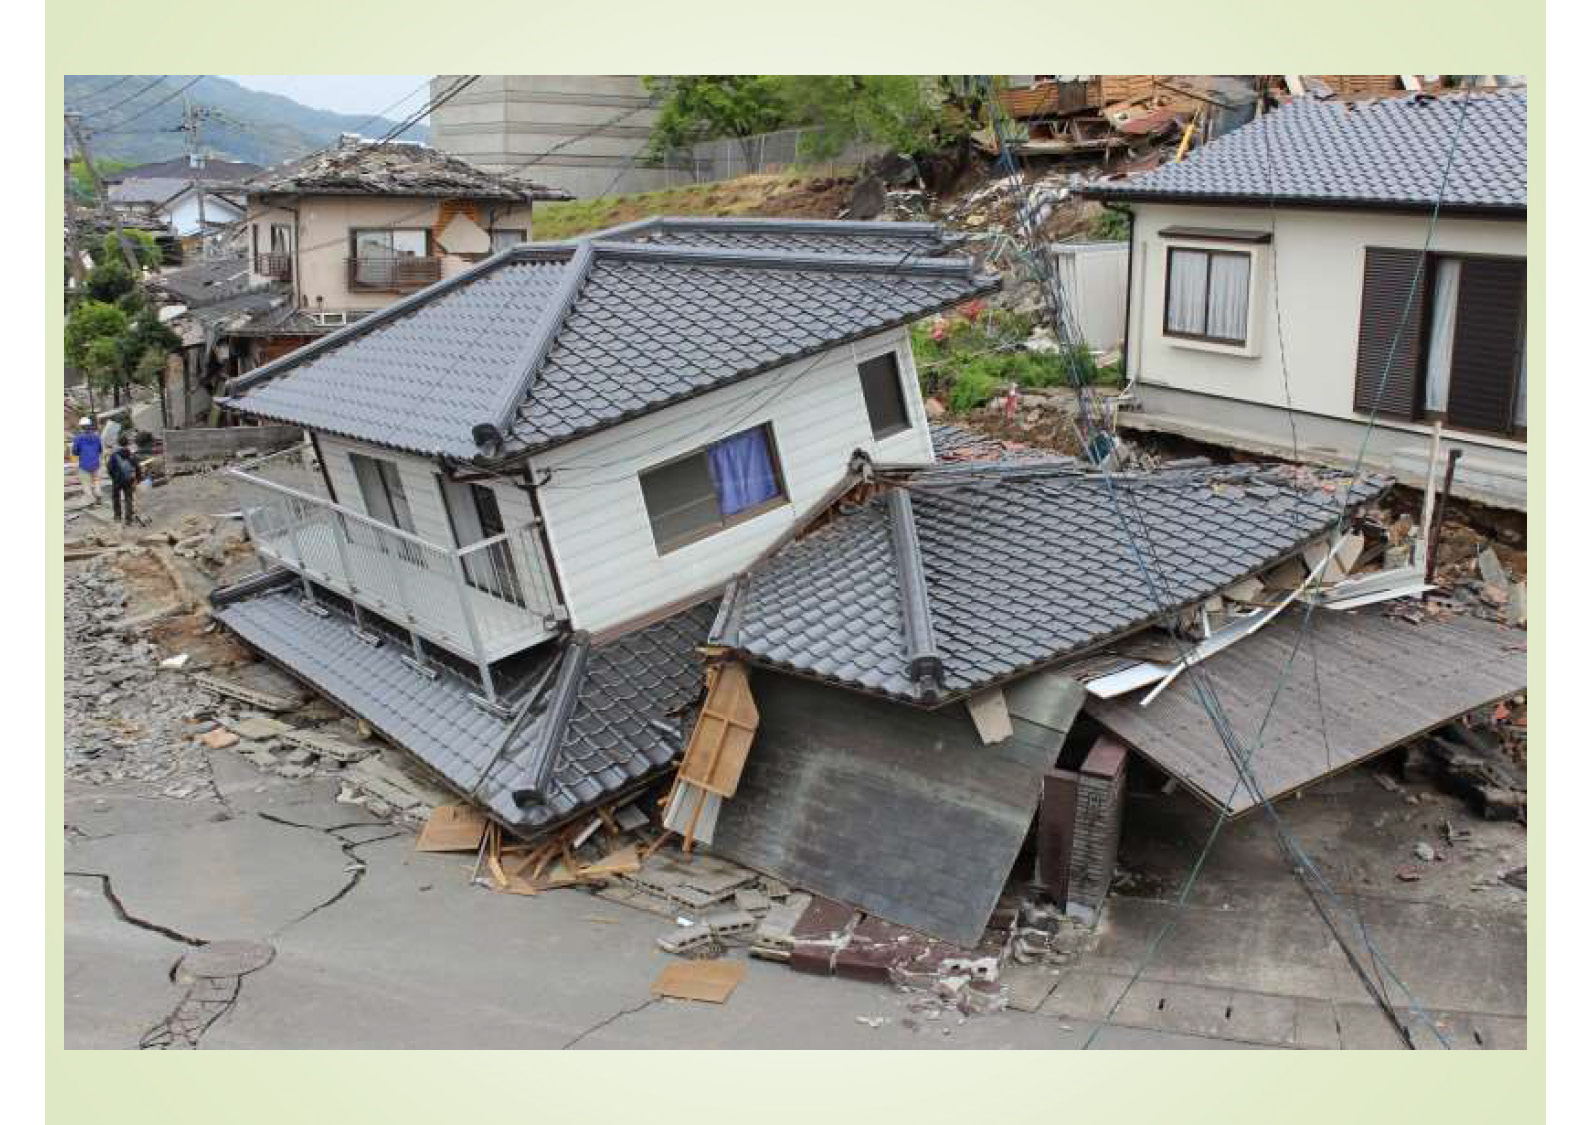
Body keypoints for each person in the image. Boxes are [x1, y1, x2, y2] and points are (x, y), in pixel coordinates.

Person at [106, 435, 142, 526]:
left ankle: (117, 516)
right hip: (128, 480)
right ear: (127, 444)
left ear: (118, 443)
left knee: (116, 498)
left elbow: (109, 468)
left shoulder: (114, 455)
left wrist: (113, 477)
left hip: (117, 480)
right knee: (128, 498)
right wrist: (137, 479)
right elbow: (137, 468)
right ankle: (128, 520)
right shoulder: (131, 455)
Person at [70, 418, 103, 506]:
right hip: (96, 463)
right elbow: (100, 449)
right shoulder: (97, 437)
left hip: (84, 464)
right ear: (90, 426)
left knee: (86, 483)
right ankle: (98, 494)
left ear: (82, 427)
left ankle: (91, 500)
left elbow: (75, 451)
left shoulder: (78, 438)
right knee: (96, 481)